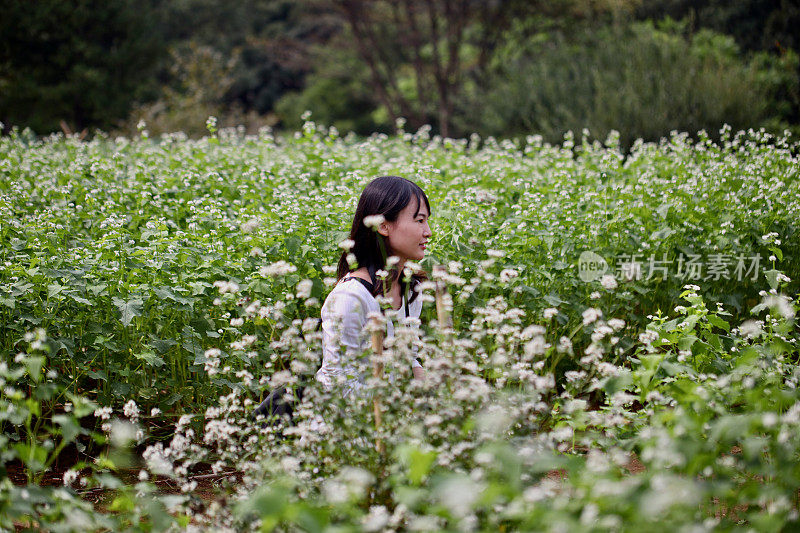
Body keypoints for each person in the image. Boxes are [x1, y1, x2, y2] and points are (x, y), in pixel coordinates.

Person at [315, 176, 432, 397]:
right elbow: (337, 384)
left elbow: (408, 356)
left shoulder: (411, 289)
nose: (428, 232)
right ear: (383, 226)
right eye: (419, 221)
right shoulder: (351, 297)